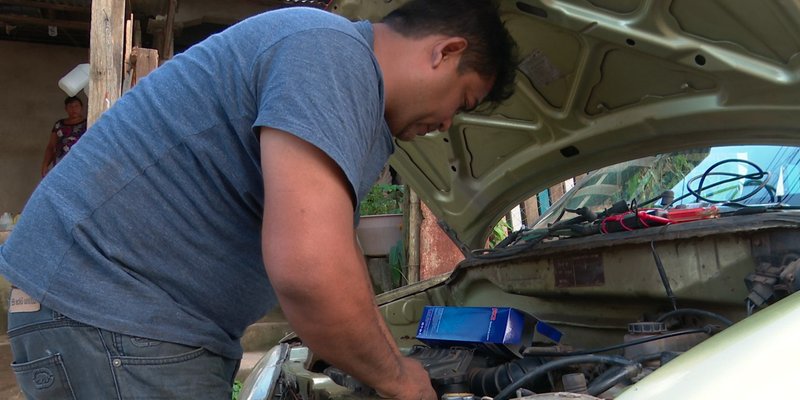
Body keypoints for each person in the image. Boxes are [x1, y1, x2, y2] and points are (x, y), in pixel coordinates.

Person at [1, 1, 517, 399]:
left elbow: (332, 252)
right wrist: (400, 378)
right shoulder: (332, 55)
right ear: (446, 51)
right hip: (114, 317)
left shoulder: (329, 61)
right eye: (463, 100)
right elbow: (312, 270)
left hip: (112, 318)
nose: (449, 124)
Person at [40, 96, 87, 177]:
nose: (73, 109)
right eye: (70, 106)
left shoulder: (88, 123)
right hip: (61, 163)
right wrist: (45, 164)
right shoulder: (59, 125)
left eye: (76, 106)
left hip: (81, 163)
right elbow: (51, 146)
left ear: (81, 107)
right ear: (66, 109)